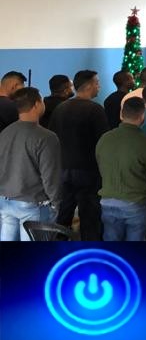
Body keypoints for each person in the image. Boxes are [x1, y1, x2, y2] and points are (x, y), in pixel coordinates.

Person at [50, 70, 107, 240]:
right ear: (88, 86)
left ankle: (57, 248)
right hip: (88, 171)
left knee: (63, 216)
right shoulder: (95, 110)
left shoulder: (60, 108)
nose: (99, 86)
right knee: (90, 218)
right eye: (97, 83)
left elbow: (52, 137)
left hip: (63, 169)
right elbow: (103, 142)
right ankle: (90, 250)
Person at [96, 97, 146, 241]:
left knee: (112, 249)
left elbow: (101, 168)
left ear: (121, 114)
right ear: (143, 116)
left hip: (107, 202)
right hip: (137, 203)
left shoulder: (104, 139)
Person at [0, 87, 62, 240]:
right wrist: (55, 203)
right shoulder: (46, 137)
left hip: (5, 200)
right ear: (36, 104)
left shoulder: (5, 133)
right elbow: (50, 176)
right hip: (33, 203)